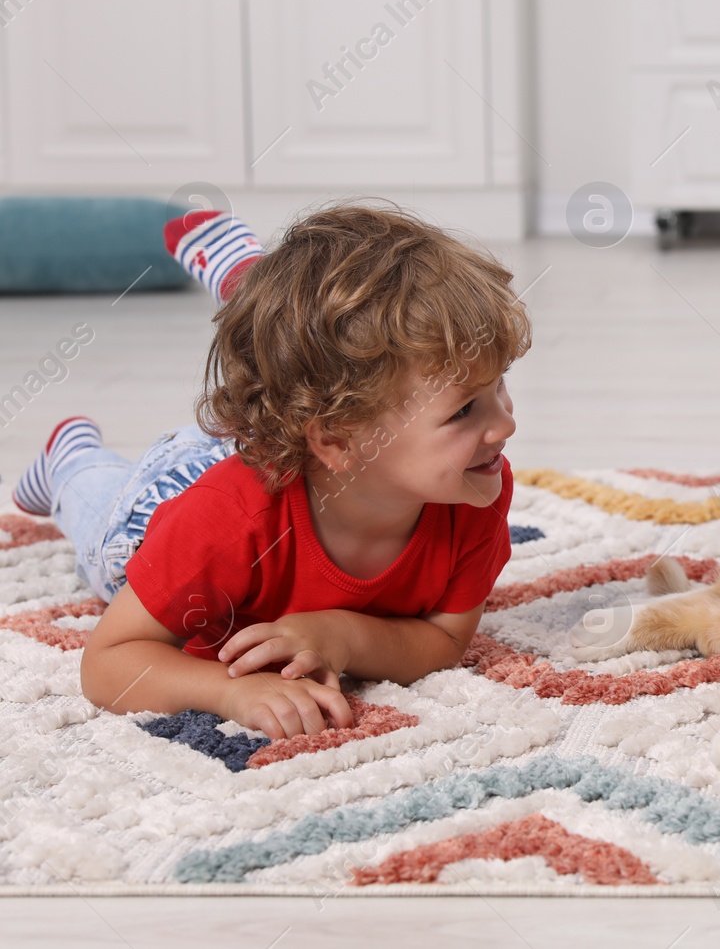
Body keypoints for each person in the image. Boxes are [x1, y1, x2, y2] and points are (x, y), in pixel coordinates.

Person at [14, 204, 529, 740]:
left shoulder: (476, 487)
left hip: (289, 457)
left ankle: (253, 287)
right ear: (335, 440)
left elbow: (444, 642)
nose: (506, 424)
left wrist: (343, 635)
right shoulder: (221, 522)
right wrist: (230, 690)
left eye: (500, 386)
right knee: (104, 518)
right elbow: (107, 664)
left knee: (317, 362)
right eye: (465, 410)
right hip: (160, 505)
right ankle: (69, 459)